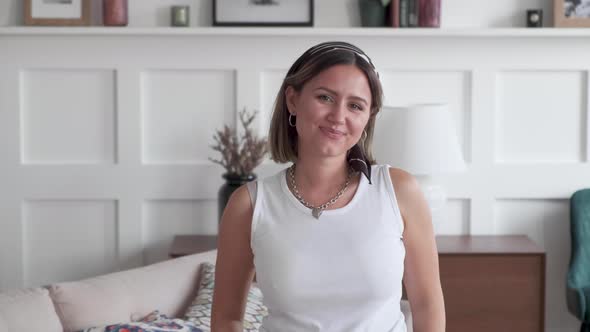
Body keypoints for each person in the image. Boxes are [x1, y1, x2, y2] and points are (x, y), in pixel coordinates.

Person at [211, 41, 445, 332]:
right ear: (293, 100)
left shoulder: (399, 191)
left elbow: (426, 304)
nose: (338, 117)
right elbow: (227, 318)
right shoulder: (248, 205)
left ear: (368, 117)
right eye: (325, 97)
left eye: (355, 106)